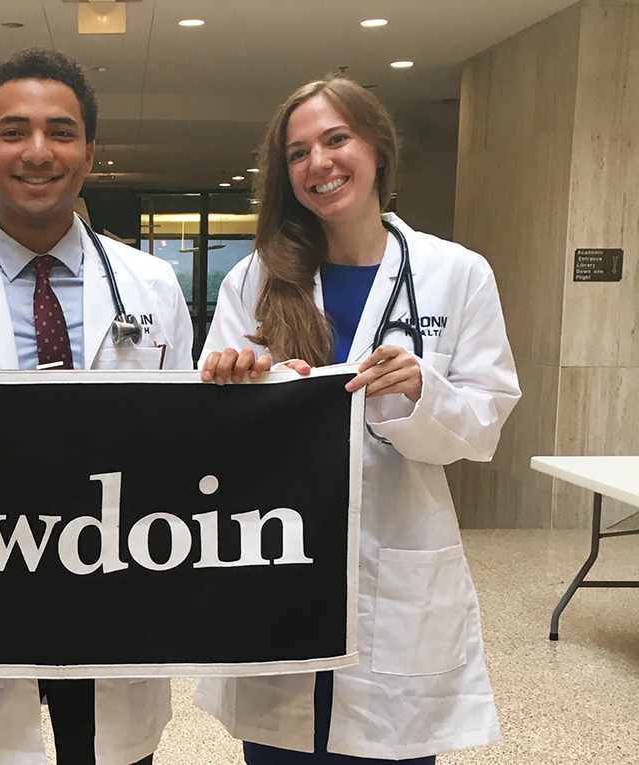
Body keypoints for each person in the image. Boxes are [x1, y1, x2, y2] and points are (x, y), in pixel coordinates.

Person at [194, 76, 520, 763]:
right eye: (298, 152)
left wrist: (417, 390)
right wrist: (234, 388)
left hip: (395, 567)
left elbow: (485, 422)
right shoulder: (252, 279)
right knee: (282, 744)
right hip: (279, 563)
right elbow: (214, 433)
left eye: (336, 139)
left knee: (387, 744)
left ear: (377, 149)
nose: (319, 163)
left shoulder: (456, 274)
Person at [0, 48, 191, 765]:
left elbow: (182, 447)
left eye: (62, 131)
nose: (38, 151)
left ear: (90, 151)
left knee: (114, 752)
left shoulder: (153, 285)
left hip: (116, 579)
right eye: (15, 132)